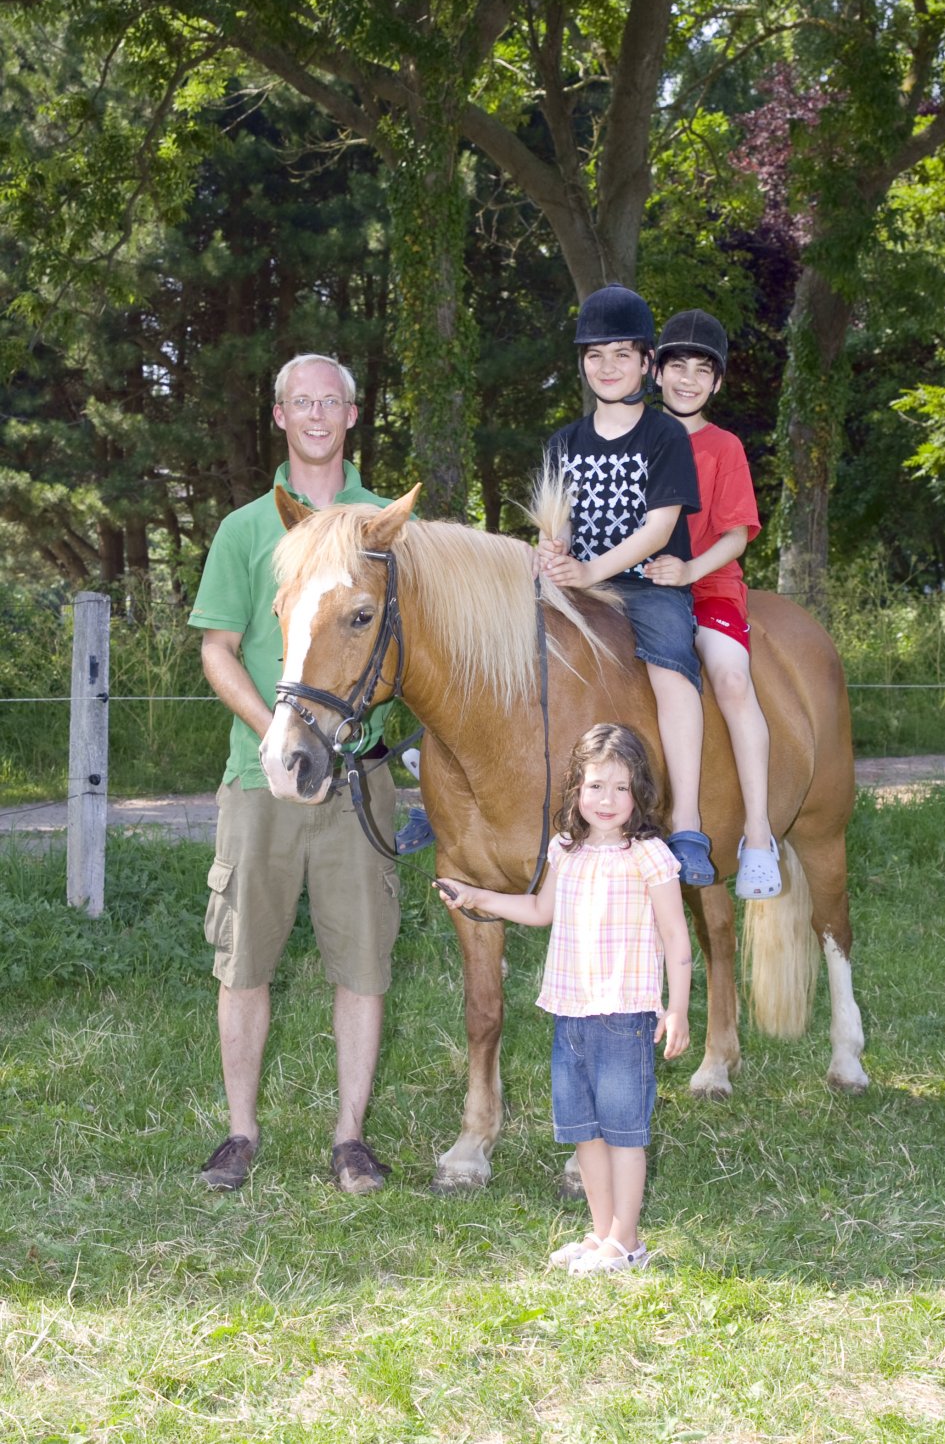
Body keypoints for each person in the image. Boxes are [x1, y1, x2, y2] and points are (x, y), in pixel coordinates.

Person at [189, 352, 402, 1194]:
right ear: (278, 415)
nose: (316, 414)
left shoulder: (386, 525)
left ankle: (351, 1137)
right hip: (261, 781)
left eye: (331, 401)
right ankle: (240, 1133)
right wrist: (279, 738)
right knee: (244, 965)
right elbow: (218, 650)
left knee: (365, 966)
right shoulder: (248, 528)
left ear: (353, 414)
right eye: (300, 401)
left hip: (358, 783)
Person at [436, 723, 692, 1274]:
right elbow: (537, 911)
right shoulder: (566, 849)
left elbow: (676, 937)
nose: (607, 800)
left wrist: (679, 1008)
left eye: (621, 789)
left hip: (625, 1015)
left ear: (639, 792)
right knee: (584, 1132)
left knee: (624, 1134)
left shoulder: (648, 854)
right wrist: (475, 894)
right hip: (570, 1014)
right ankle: (601, 1234)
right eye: (596, 786)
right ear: (576, 787)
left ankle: (627, 1241)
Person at [537, 284, 714, 887]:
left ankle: (687, 822)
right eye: (595, 355)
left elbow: (660, 526)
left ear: (646, 364)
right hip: (579, 583)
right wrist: (555, 553)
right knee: (495, 632)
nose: (607, 367)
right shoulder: (563, 442)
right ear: (582, 364)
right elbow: (556, 521)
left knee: (672, 664)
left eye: (621, 354)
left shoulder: (664, 436)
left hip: (644, 584)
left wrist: (592, 570)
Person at [650, 309, 781, 898]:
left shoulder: (724, 447)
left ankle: (757, 835)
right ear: (656, 371)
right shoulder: (635, 437)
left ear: (718, 383)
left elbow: (735, 533)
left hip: (708, 583)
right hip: (638, 581)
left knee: (728, 678)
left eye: (703, 371)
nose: (688, 379)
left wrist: (689, 571)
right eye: (678, 366)